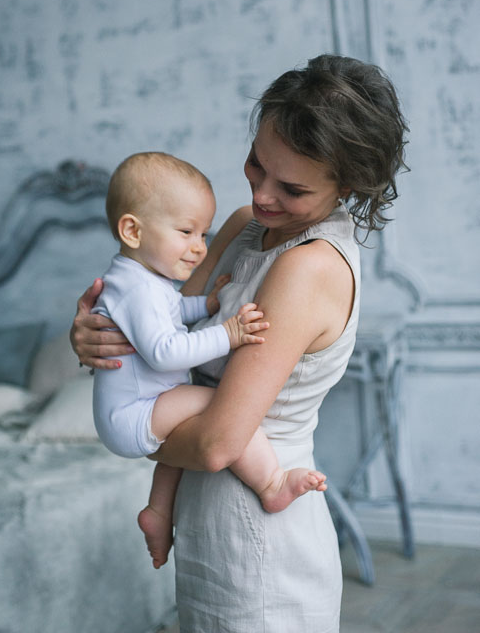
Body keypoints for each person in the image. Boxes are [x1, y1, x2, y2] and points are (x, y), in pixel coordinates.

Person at [71, 54, 408, 633]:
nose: (264, 196)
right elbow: (164, 336)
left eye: (292, 188)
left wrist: (127, 431)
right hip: (203, 519)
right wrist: (93, 337)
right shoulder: (243, 225)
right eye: (257, 164)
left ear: (346, 185)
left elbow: (215, 445)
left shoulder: (308, 268)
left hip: (260, 535)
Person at [91, 151, 327, 569]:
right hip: (133, 414)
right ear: (132, 230)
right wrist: (227, 333)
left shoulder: (142, 279)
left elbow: (171, 311)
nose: (199, 248)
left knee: (189, 415)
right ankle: (271, 483)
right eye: (186, 232)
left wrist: (205, 305)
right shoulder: (137, 289)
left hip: (137, 408)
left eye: (203, 234)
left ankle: (158, 511)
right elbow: (164, 352)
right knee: (218, 405)